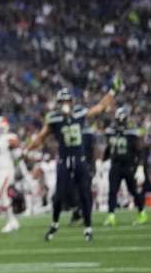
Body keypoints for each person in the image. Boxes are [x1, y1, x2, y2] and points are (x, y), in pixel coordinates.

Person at [28, 84, 118, 242]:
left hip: (79, 159)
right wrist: (26, 148)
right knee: (59, 195)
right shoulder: (54, 119)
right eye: (62, 101)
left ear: (71, 101)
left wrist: (111, 92)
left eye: (67, 101)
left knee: (85, 193)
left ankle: (88, 228)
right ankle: (54, 224)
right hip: (64, 160)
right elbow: (41, 137)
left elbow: (101, 107)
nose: (65, 104)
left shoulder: (79, 113)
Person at [103, 106, 148, 226]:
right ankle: (111, 215)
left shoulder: (131, 132)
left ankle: (142, 212)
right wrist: (103, 160)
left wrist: (140, 166)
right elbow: (109, 148)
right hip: (115, 165)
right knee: (112, 191)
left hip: (129, 166)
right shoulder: (112, 131)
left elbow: (139, 150)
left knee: (133, 190)